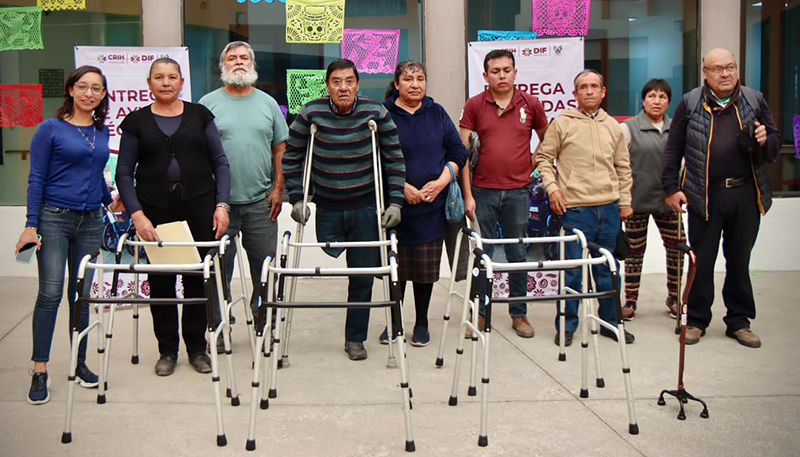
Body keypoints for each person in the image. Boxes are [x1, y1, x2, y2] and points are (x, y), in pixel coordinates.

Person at [283, 59, 405, 361]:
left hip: (365, 207)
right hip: (328, 207)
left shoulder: (376, 112)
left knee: (362, 276)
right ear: (327, 86)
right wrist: (297, 198)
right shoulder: (310, 113)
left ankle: (355, 339)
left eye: (349, 81)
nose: (343, 88)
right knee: (330, 262)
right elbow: (292, 157)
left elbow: (393, 158)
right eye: (336, 82)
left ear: (358, 85)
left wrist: (395, 202)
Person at [116, 58, 231, 376]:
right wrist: (138, 215)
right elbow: (124, 172)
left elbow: (220, 162)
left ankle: (197, 349)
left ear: (181, 82)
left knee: (197, 279)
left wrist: (222, 205)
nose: (165, 82)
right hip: (155, 209)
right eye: (159, 77)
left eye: (172, 77)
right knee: (161, 282)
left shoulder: (200, 115)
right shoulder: (137, 122)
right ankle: (167, 350)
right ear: (149, 83)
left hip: (199, 206)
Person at [16, 65, 122, 404]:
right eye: (83, 86)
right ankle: (39, 370)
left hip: (90, 221)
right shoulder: (50, 129)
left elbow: (95, 174)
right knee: (50, 294)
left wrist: (110, 201)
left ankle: (79, 362)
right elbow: (37, 178)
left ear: (103, 95)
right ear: (71, 90)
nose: (89, 93)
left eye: (96, 88)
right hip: (54, 219)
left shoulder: (101, 131)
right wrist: (31, 224)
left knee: (81, 297)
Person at [662, 48, 781, 348]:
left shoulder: (754, 100)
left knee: (740, 260)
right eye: (717, 68)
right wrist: (671, 189)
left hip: (745, 193)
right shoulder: (691, 103)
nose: (725, 73)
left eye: (730, 67)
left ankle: (739, 321)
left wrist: (764, 141)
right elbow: (673, 148)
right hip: (704, 194)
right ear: (705, 72)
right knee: (701, 261)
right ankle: (696, 320)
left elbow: (774, 145)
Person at [199, 41, 289, 352]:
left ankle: (263, 325)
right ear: (222, 65)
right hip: (219, 206)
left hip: (261, 203)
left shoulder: (268, 103)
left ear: (252, 63)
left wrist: (278, 189)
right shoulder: (207, 104)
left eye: (244, 57)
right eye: (232, 58)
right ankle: (219, 327)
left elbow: (280, 149)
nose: (238, 62)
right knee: (216, 272)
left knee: (264, 270)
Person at [536, 69, 634, 346]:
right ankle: (566, 326)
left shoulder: (613, 126)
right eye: (583, 87)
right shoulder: (562, 123)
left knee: (608, 270)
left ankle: (610, 323)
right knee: (572, 272)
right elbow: (544, 159)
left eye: (594, 86)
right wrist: (553, 189)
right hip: (576, 210)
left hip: (609, 210)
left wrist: (625, 201)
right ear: (575, 94)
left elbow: (623, 167)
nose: (589, 91)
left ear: (603, 92)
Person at [458, 49, 548, 338]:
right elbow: (462, 156)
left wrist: (531, 164)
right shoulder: (474, 105)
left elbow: (547, 140)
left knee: (517, 254)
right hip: (482, 192)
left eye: (507, 70)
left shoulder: (530, 104)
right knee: (482, 254)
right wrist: (468, 195)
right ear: (486, 75)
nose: (502, 76)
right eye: (495, 71)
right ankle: (480, 312)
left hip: (518, 193)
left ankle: (518, 313)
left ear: (515, 73)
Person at [382, 61, 467, 347]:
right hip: (397, 206)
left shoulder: (436, 113)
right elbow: (375, 157)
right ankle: (394, 321)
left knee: (424, 271)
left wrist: (442, 181)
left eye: (420, 78)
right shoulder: (384, 114)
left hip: (432, 206)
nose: (415, 84)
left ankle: (421, 323)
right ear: (397, 84)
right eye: (408, 79)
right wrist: (400, 187)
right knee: (395, 269)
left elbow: (458, 151)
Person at [619, 79, 685, 321]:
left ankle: (674, 298)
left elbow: (684, 163)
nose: (657, 101)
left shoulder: (677, 128)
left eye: (662, 97)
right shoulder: (628, 128)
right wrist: (622, 199)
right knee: (634, 252)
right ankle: (630, 301)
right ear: (643, 100)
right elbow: (618, 164)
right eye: (651, 96)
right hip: (636, 201)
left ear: (669, 101)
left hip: (669, 200)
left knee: (678, 248)